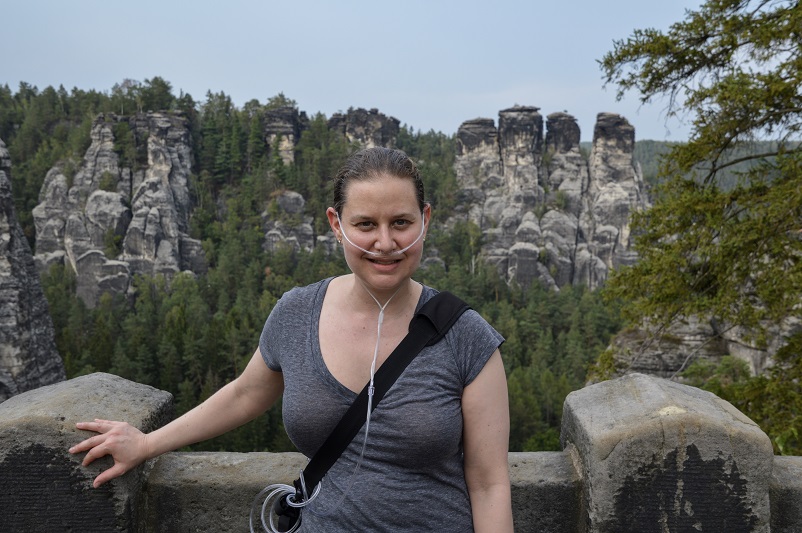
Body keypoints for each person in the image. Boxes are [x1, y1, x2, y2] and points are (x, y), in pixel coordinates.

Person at [69, 146, 513, 532]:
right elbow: (245, 394)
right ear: (336, 224)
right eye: (364, 225)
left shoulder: (465, 336)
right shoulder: (298, 312)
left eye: (401, 222)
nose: (384, 242)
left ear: (426, 219)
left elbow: (489, 484)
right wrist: (147, 443)